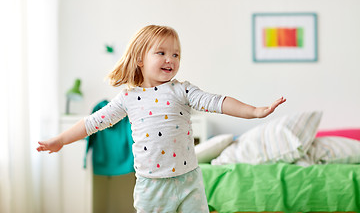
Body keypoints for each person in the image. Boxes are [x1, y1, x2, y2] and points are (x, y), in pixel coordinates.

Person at [37, 25, 286, 213]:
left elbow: (217, 102)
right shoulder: (128, 98)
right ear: (139, 59)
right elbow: (92, 123)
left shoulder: (183, 90)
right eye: (162, 52)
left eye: (176, 54)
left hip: (189, 181)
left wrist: (254, 111)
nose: (171, 59)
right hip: (151, 186)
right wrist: (60, 139)